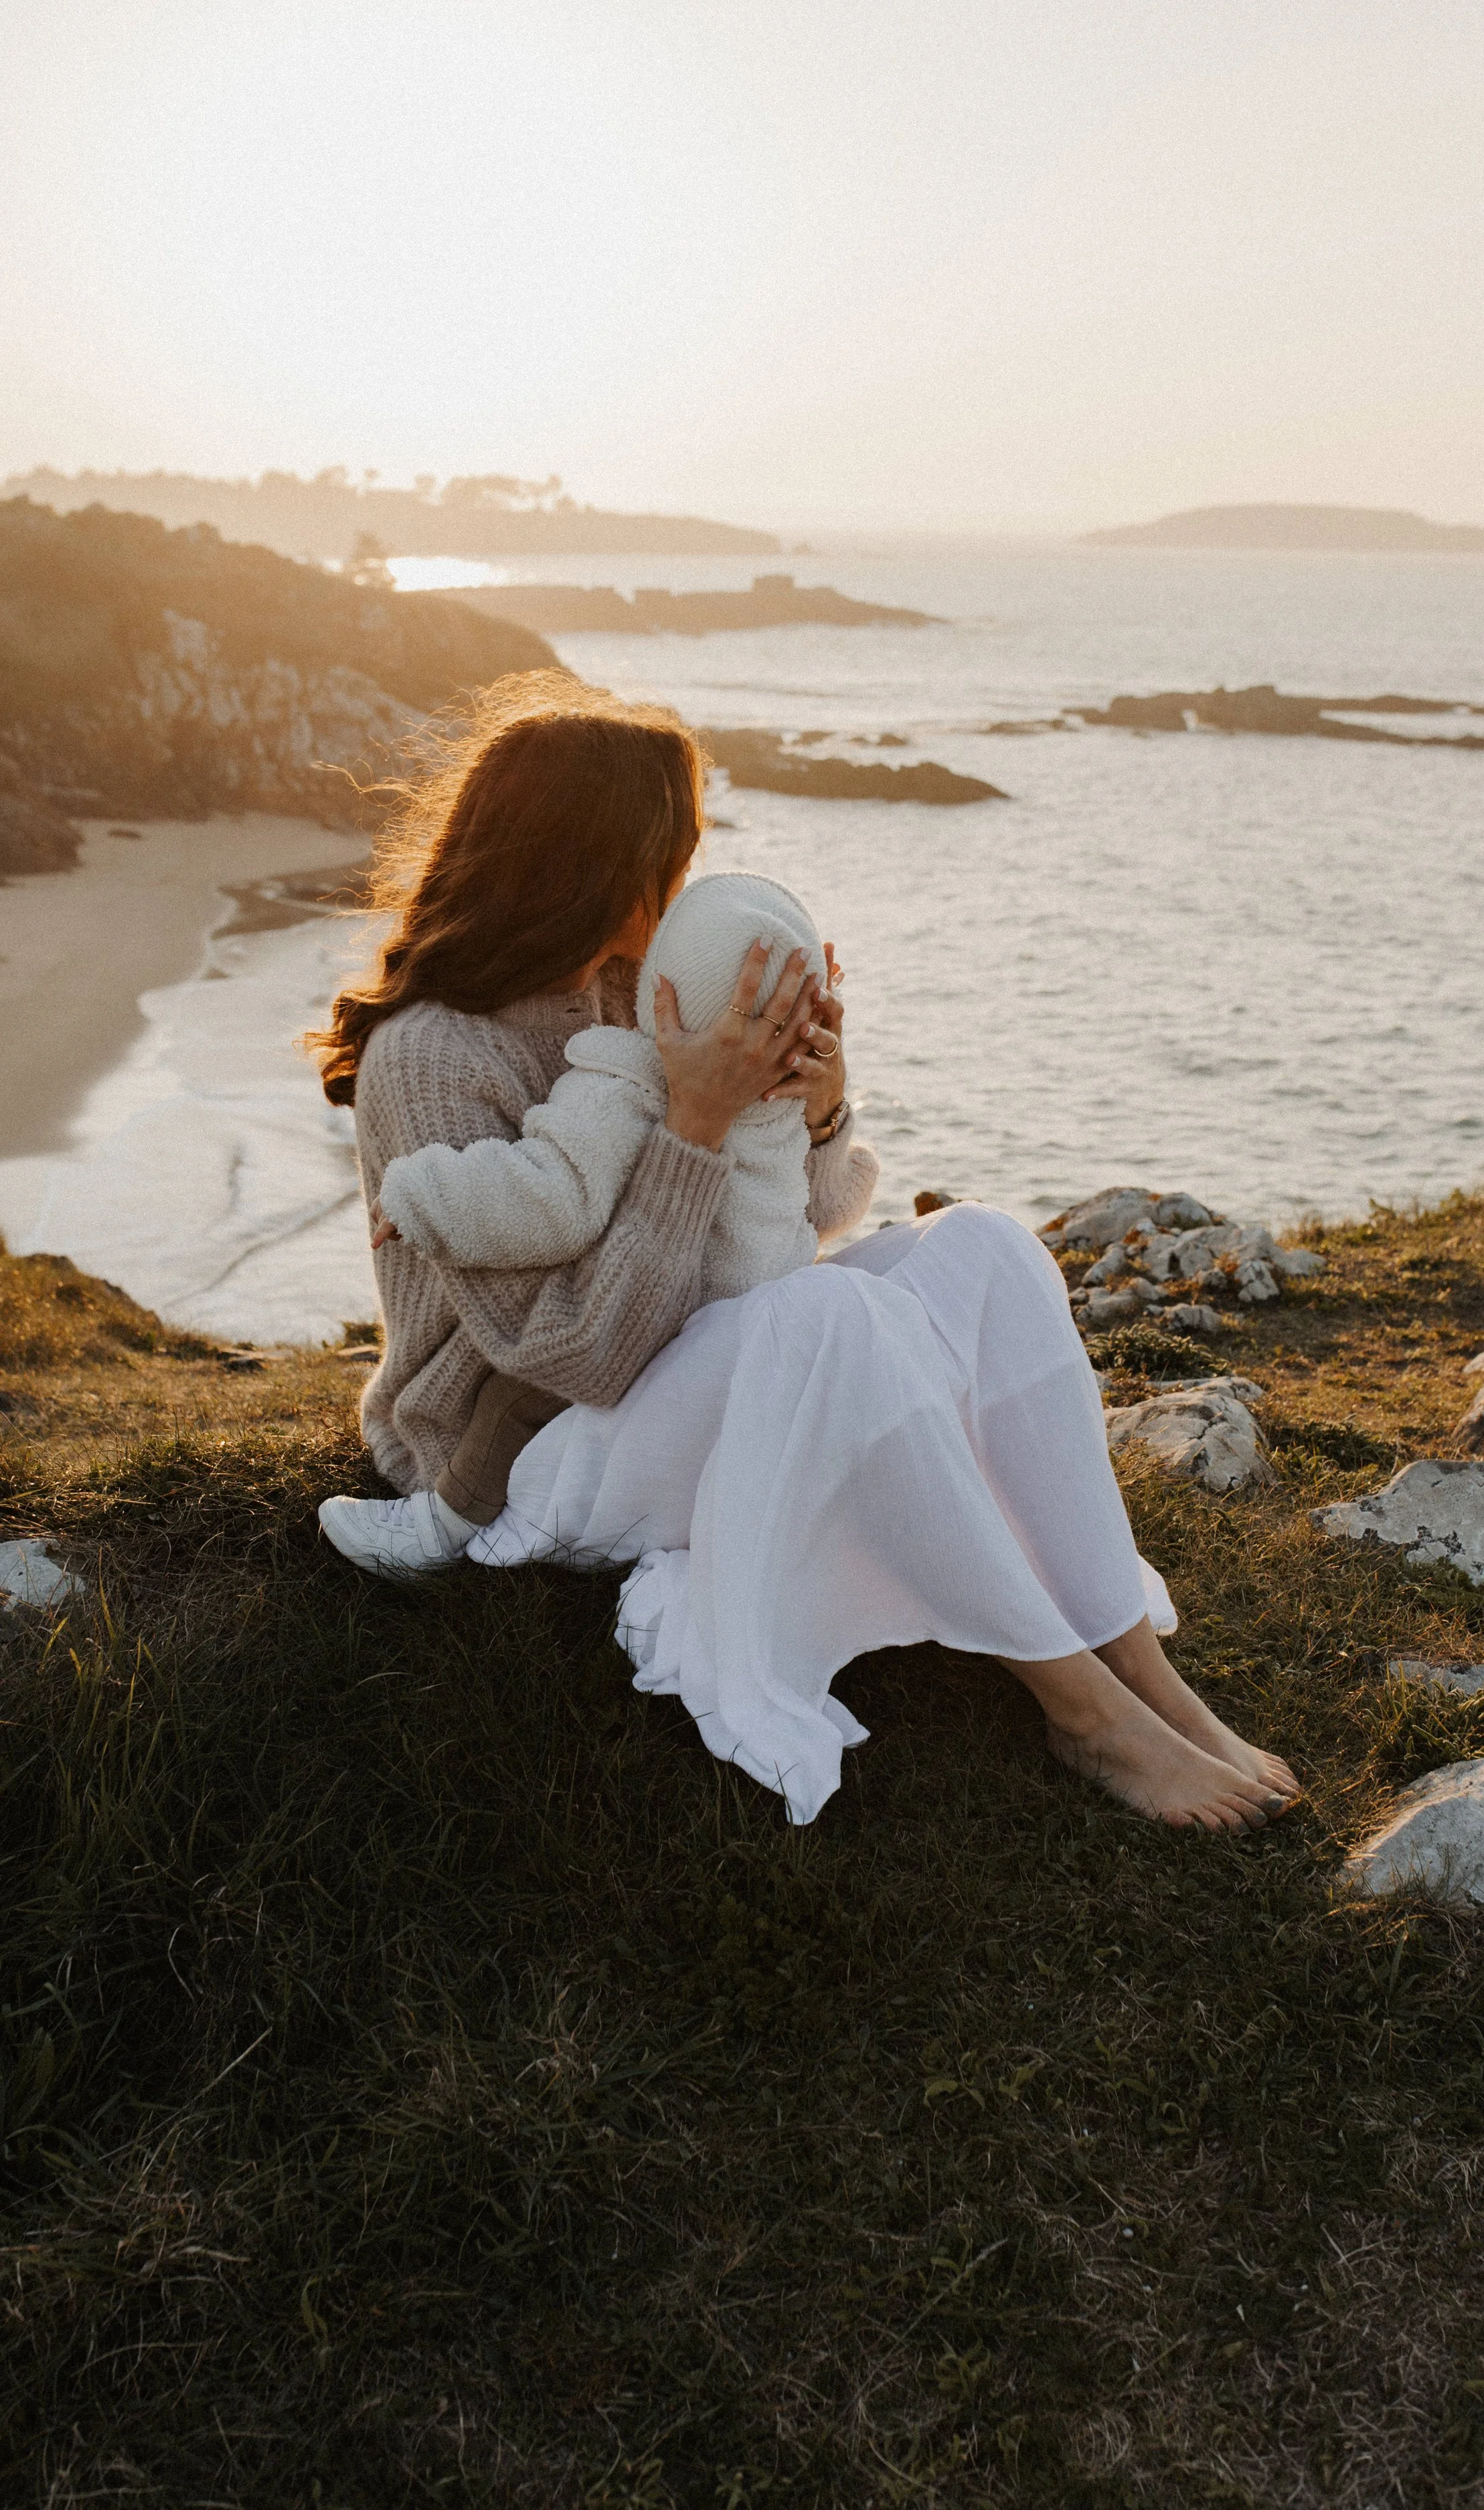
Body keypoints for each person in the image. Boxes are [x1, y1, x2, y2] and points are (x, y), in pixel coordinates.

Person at [310, 673, 1297, 1833]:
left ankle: (1144, 1672)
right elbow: (574, 1355)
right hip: (515, 1455)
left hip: (679, 1361)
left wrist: (813, 1105)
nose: (689, 876)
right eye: (671, 849)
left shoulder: (636, 989)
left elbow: (803, 1222)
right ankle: (1085, 1715)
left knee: (982, 1248)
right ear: (592, 860)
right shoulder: (432, 1057)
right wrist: (695, 1125)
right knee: (827, 1322)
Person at [317, 869, 876, 1573]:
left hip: (676, 1338)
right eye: (673, 863)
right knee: (517, 1388)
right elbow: (830, 1209)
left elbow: (552, 1197)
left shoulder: (633, 1067)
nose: (677, 890)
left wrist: (423, 1197)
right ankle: (447, 1512)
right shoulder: (429, 1053)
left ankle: (443, 1526)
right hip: (715, 1330)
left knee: (520, 1398)